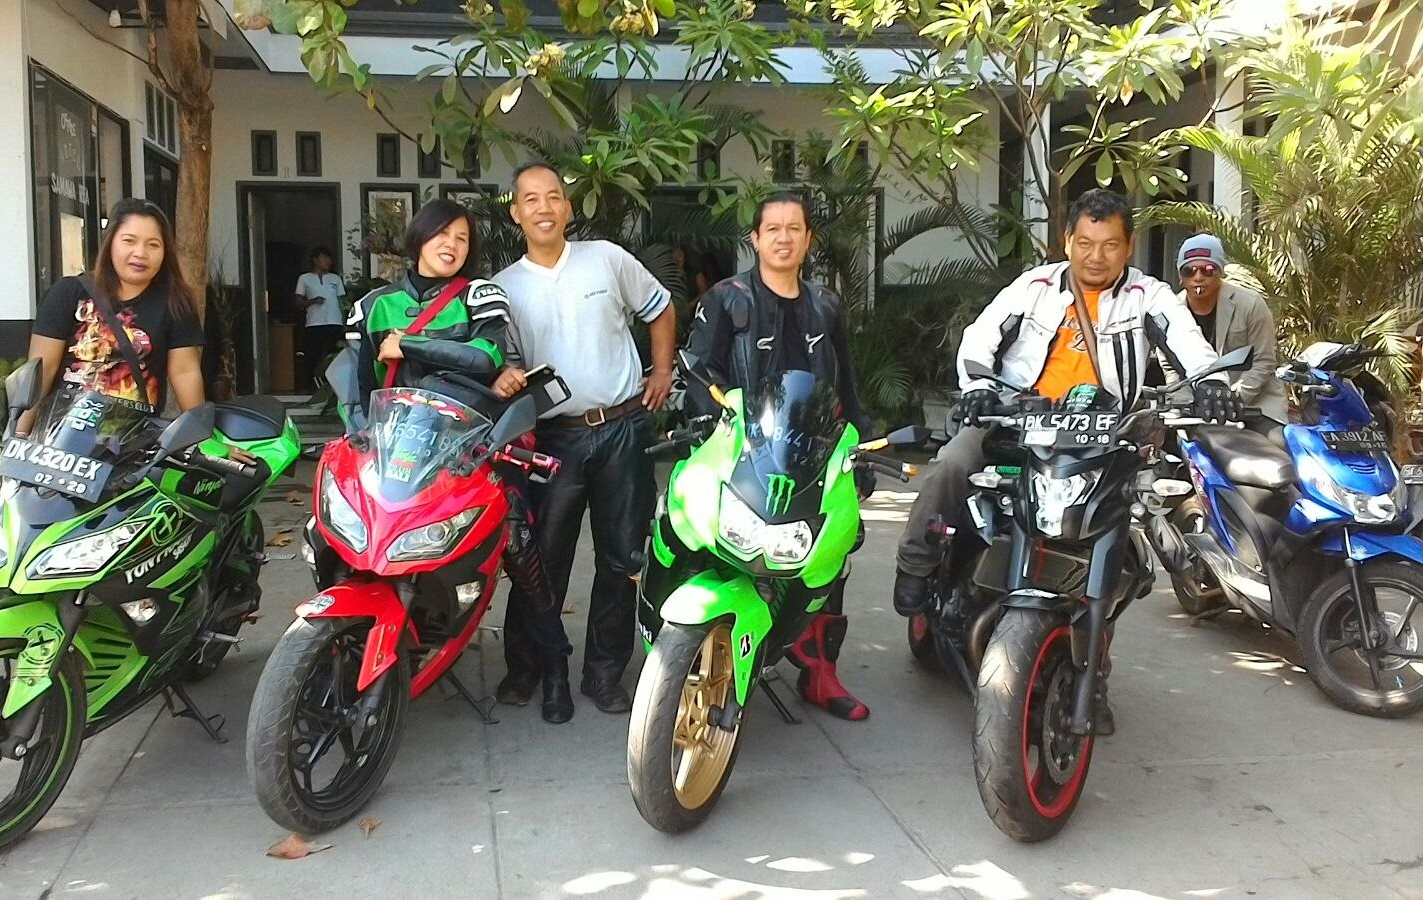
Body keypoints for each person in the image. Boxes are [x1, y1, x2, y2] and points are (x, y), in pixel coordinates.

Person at [892, 190, 1237, 729]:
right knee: (954, 462)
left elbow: (1190, 346)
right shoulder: (1033, 288)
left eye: (1110, 245)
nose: (1096, 256)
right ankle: (915, 565)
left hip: (1103, 435)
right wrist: (979, 387)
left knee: (1114, 539)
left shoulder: (1149, 296)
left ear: (1128, 247)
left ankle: (1093, 671)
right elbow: (979, 341)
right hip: (1017, 422)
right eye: (1085, 243)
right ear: (1067, 241)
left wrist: (1212, 383)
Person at [343, 197, 575, 723]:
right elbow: (357, 390)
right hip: (397, 457)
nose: (451, 245)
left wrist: (410, 345)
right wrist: (357, 440)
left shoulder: (479, 295)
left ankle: (554, 664)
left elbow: (485, 357)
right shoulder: (373, 305)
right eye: (441, 234)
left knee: (519, 546)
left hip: (472, 449)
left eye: (462, 238)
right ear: (418, 238)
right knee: (344, 536)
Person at [490, 162, 677, 715]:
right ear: (516, 213)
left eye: (554, 197)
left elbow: (660, 307)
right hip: (553, 438)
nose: (544, 208)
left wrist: (662, 370)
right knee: (540, 559)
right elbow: (504, 365)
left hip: (623, 428)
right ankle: (527, 667)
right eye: (531, 199)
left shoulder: (606, 259)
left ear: (568, 207)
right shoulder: (503, 288)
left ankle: (603, 673)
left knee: (622, 558)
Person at [684, 191, 876, 720]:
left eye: (795, 229)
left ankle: (820, 671)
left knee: (832, 550)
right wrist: (714, 426)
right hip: (740, 447)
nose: (784, 238)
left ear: (809, 238)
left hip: (812, 451)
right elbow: (699, 372)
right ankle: (686, 647)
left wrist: (862, 443)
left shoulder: (827, 305)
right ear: (755, 238)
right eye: (773, 229)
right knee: (703, 536)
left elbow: (846, 383)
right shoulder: (727, 299)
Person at [23, 198, 207, 431]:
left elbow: (185, 372)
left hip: (133, 441)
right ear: (110, 242)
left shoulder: (175, 303)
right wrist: (18, 434)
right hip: (60, 438)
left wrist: (203, 437)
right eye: (129, 241)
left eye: (153, 245)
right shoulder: (67, 293)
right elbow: (42, 370)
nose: (140, 253)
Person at [1161, 234, 1288, 424]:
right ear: (1180, 277)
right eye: (1189, 271)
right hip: (1197, 407)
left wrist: (1231, 399)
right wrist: (1185, 403)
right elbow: (1171, 368)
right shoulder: (1169, 312)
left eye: (1208, 270)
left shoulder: (1251, 304)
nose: (1198, 277)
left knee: (1275, 443)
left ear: (1221, 272)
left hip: (1257, 405)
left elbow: (1264, 361)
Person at [296, 246, 346, 388]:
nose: (328, 261)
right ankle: (311, 386)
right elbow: (298, 302)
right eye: (325, 258)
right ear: (315, 260)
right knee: (313, 355)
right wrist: (312, 301)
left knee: (334, 355)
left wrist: (345, 323)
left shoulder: (335, 279)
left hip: (334, 322)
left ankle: (333, 386)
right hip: (314, 323)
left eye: (329, 258)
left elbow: (342, 302)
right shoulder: (305, 278)